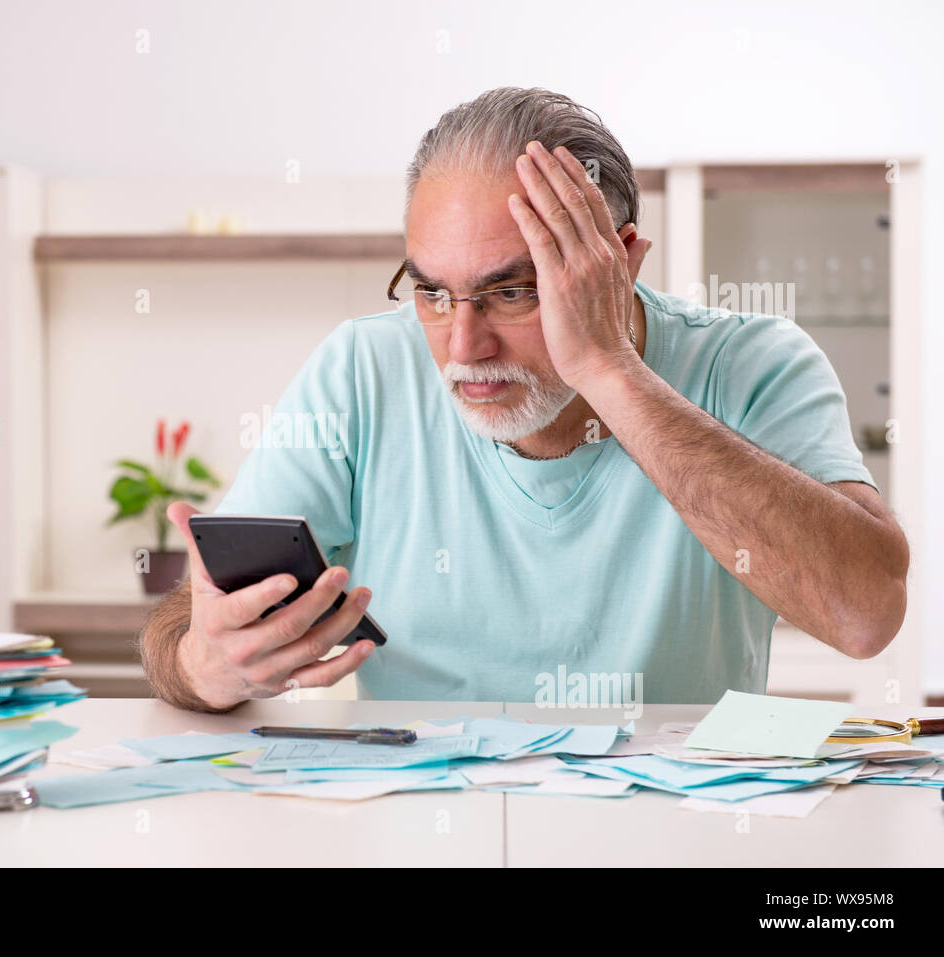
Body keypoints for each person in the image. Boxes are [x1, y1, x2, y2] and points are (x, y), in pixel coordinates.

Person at [138, 87, 908, 713]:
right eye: (434, 293)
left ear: (622, 261)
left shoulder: (752, 364)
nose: (464, 347)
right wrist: (211, 664)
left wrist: (612, 370)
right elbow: (188, 619)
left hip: (673, 832)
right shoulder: (361, 369)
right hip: (425, 821)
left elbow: (866, 613)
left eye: (513, 291)